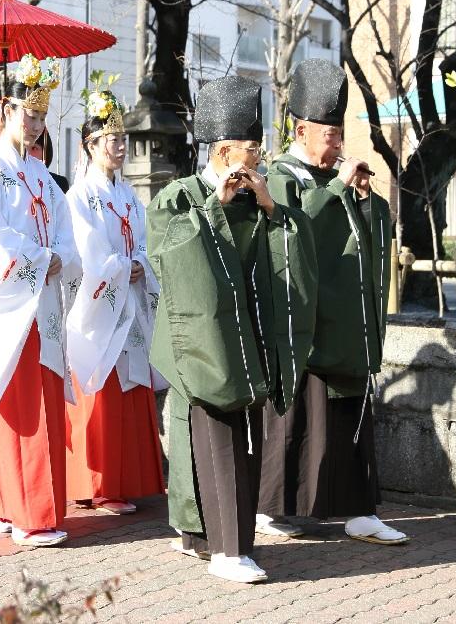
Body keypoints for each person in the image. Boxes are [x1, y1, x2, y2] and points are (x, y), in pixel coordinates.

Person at [147, 75, 316, 584]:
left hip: (251, 337)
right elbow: (167, 257)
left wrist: (269, 208)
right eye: (251, 149)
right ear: (222, 150)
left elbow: (292, 257)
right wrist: (213, 209)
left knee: (242, 437)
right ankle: (227, 549)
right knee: (216, 435)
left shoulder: (260, 200)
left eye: (260, 148)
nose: (259, 158)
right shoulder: (180, 196)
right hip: (203, 341)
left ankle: (209, 539)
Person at [257, 59, 407, 546]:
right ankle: (272, 509)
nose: (338, 144)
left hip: (347, 321)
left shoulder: (336, 175)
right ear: (301, 130)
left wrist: (364, 198)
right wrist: (337, 190)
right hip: (304, 322)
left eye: (341, 133)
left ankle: (360, 510)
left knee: (352, 419)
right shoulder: (278, 178)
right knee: (297, 420)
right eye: (329, 134)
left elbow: (372, 228)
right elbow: (289, 232)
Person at [0, 54, 81, 548]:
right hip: (6, 307)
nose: (33, 124)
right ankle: (30, 513)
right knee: (17, 408)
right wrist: (39, 257)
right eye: (27, 114)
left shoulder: (43, 177)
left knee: (37, 404)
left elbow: (67, 237)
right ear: (6, 109)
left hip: (43, 307)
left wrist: (58, 257)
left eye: (41, 117)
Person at [64, 86, 165, 515]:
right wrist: (124, 268)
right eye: (113, 140)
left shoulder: (127, 196)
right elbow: (88, 255)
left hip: (128, 302)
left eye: (123, 140)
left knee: (128, 387)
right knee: (100, 389)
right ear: (91, 144)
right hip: (102, 308)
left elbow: (144, 239)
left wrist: (140, 260)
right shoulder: (80, 196)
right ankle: (98, 483)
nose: (121, 147)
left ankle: (125, 481)